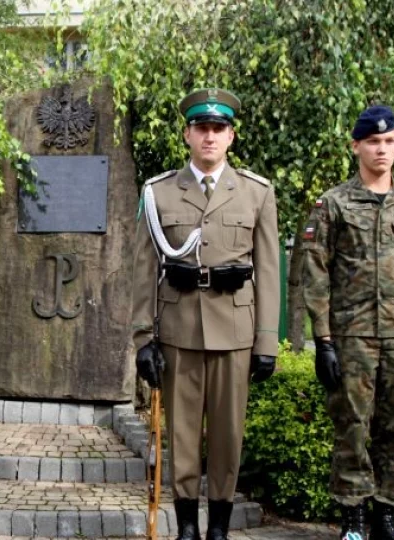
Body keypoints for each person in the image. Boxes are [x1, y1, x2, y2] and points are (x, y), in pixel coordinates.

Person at [131, 88, 280, 540]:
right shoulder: (159, 192)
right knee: (181, 436)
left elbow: (269, 269)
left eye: (218, 129)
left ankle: (218, 528)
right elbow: (144, 267)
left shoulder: (256, 192)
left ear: (231, 136)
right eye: (202, 128)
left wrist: (267, 341)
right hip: (178, 332)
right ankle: (187, 530)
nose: (210, 136)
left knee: (227, 437)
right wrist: (142, 338)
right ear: (187, 134)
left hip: (235, 330)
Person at [303, 105, 394, 540]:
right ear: (356, 147)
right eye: (372, 142)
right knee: (352, 429)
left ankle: (387, 516)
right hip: (352, 338)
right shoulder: (334, 204)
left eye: (388, 141)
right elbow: (315, 273)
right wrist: (323, 340)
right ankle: (353, 520)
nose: (381, 149)